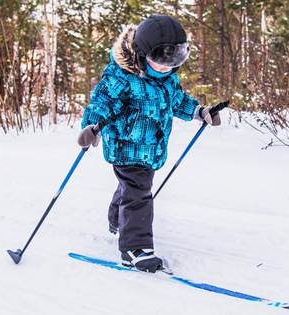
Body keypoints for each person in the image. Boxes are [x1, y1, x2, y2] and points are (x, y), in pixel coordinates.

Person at [77, 15, 222, 273]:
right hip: (125, 147)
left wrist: (200, 112)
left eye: (175, 61)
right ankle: (135, 248)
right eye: (162, 61)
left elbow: (178, 100)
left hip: (151, 149)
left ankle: (116, 220)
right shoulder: (120, 77)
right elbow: (100, 103)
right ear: (142, 54)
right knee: (138, 193)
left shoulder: (167, 79)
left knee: (130, 189)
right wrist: (91, 127)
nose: (168, 68)